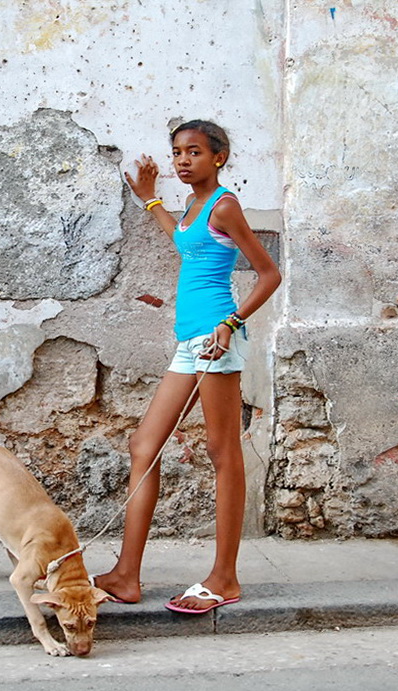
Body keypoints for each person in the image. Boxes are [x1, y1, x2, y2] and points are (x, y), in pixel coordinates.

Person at [93, 120, 282, 614]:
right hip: (189, 345)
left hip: (215, 341)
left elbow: (269, 273)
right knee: (144, 446)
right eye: (177, 152)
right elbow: (183, 243)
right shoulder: (195, 209)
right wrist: (150, 198)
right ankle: (126, 576)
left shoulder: (224, 205)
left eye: (193, 152)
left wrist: (231, 322)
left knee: (223, 455)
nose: (182, 160)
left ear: (218, 158)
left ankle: (225, 578)